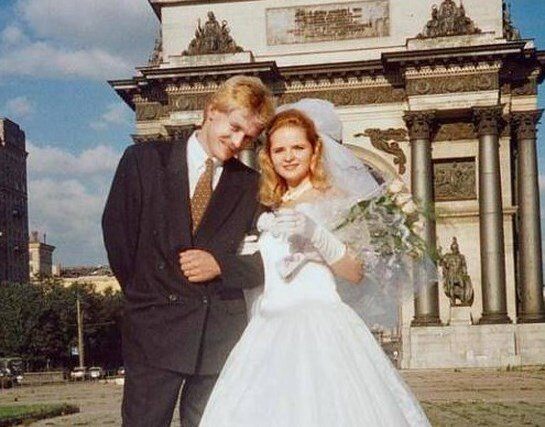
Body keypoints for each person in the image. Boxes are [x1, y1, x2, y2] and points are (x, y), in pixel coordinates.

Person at [200, 100, 431, 426]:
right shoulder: (270, 204)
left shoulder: (334, 197)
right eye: (279, 150)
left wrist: (317, 235)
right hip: (267, 325)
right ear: (269, 156)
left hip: (318, 323)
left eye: (298, 147)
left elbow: (355, 272)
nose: (289, 156)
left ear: (314, 150)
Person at [102, 75, 275, 427]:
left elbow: (272, 260)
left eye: (249, 137)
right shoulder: (143, 161)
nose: (238, 142)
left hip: (218, 336)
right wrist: (144, 297)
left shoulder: (251, 185)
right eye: (234, 128)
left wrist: (221, 266)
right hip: (153, 329)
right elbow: (118, 236)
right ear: (211, 111)